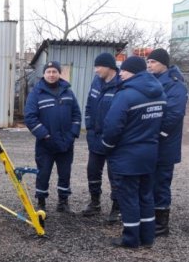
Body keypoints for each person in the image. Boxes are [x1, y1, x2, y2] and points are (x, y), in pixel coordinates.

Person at [102, 56, 166, 248]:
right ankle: (147, 237)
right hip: (150, 153)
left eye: (124, 70)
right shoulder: (160, 93)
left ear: (134, 72)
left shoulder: (126, 95)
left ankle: (130, 239)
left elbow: (113, 126)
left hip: (127, 155)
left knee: (128, 197)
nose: (120, 73)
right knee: (145, 196)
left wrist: (106, 145)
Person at [25, 60, 81, 213]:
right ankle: (41, 202)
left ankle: (63, 202)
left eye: (54, 71)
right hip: (46, 144)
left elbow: (76, 114)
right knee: (43, 173)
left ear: (59, 73)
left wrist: (72, 134)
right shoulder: (36, 93)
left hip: (66, 143)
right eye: (48, 72)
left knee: (65, 174)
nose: (51, 74)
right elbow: (30, 118)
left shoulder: (68, 91)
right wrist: (45, 136)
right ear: (43, 74)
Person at [146, 48, 188, 236]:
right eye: (148, 62)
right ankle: (150, 218)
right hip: (152, 140)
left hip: (165, 142)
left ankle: (161, 224)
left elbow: (174, 113)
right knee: (150, 179)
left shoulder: (175, 85)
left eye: (153, 62)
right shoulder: (152, 81)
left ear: (164, 63)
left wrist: (160, 133)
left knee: (161, 181)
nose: (149, 65)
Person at [82, 52, 121, 222]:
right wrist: (90, 127)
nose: (96, 70)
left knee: (116, 174)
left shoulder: (121, 84)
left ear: (109, 67)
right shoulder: (96, 82)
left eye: (99, 66)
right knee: (92, 170)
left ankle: (117, 207)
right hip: (96, 137)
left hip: (114, 140)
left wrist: (114, 134)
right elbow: (89, 106)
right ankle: (95, 202)